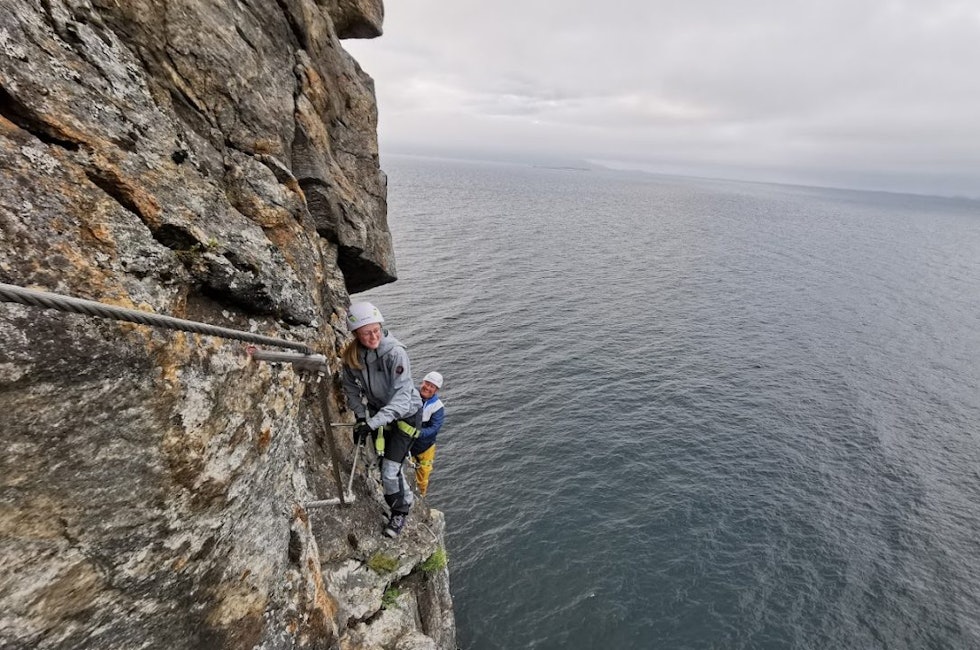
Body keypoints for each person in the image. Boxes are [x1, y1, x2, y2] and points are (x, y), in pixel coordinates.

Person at [340, 301, 423, 538]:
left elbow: (402, 398)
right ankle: (405, 498)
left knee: (389, 470)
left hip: (406, 415)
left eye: (376, 330)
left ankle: (399, 513)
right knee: (385, 465)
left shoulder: (395, 353)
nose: (373, 336)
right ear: (356, 334)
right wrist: (359, 416)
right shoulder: (353, 357)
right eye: (367, 333)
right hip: (381, 415)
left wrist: (371, 423)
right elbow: (350, 388)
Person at [410, 372, 446, 497]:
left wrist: (417, 433)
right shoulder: (410, 392)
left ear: (436, 390)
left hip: (424, 447)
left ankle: (420, 497)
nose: (428, 388)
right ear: (423, 382)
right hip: (406, 443)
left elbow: (434, 428)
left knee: (423, 474)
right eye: (427, 383)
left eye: (432, 386)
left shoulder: (437, 407)